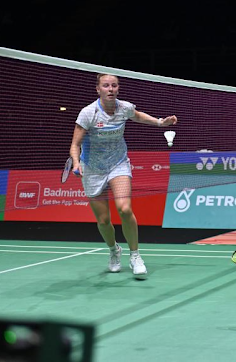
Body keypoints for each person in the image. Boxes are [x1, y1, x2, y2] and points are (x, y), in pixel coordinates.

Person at [70, 73, 177, 278]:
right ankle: (114, 251)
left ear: (118, 88)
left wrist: (160, 122)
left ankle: (135, 255)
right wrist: (76, 163)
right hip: (92, 169)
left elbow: (137, 115)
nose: (110, 89)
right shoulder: (88, 113)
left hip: (118, 165)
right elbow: (75, 144)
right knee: (103, 221)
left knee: (125, 209)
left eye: (114, 85)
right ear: (98, 89)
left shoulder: (124, 107)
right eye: (106, 86)